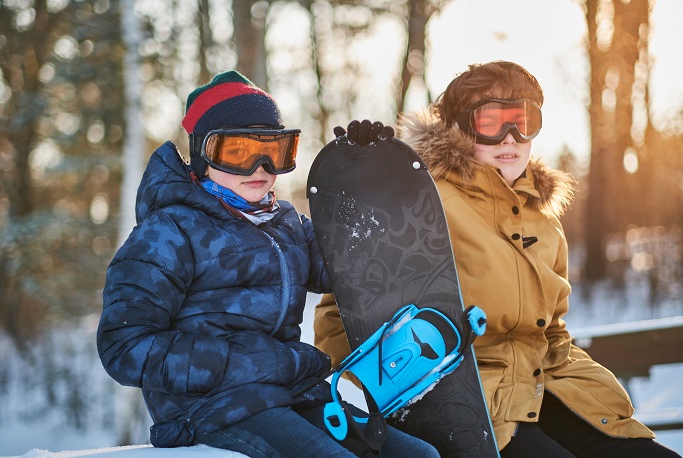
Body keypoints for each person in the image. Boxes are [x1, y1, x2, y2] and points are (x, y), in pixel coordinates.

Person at [314, 61, 681, 457]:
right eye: (491, 122)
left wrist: (597, 397)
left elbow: (552, 331)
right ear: (457, 128)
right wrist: (369, 185)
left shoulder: (542, 218)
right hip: (468, 405)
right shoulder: (422, 205)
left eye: (523, 120)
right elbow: (347, 312)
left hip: (544, 387)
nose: (511, 138)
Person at [96, 70, 439, 458]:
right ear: (202, 155)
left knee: (419, 455)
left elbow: (352, 266)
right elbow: (123, 344)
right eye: (238, 152)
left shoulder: (286, 223)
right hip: (211, 407)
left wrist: (366, 175)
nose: (260, 168)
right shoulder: (168, 232)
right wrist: (240, 364)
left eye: (275, 151)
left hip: (291, 392)